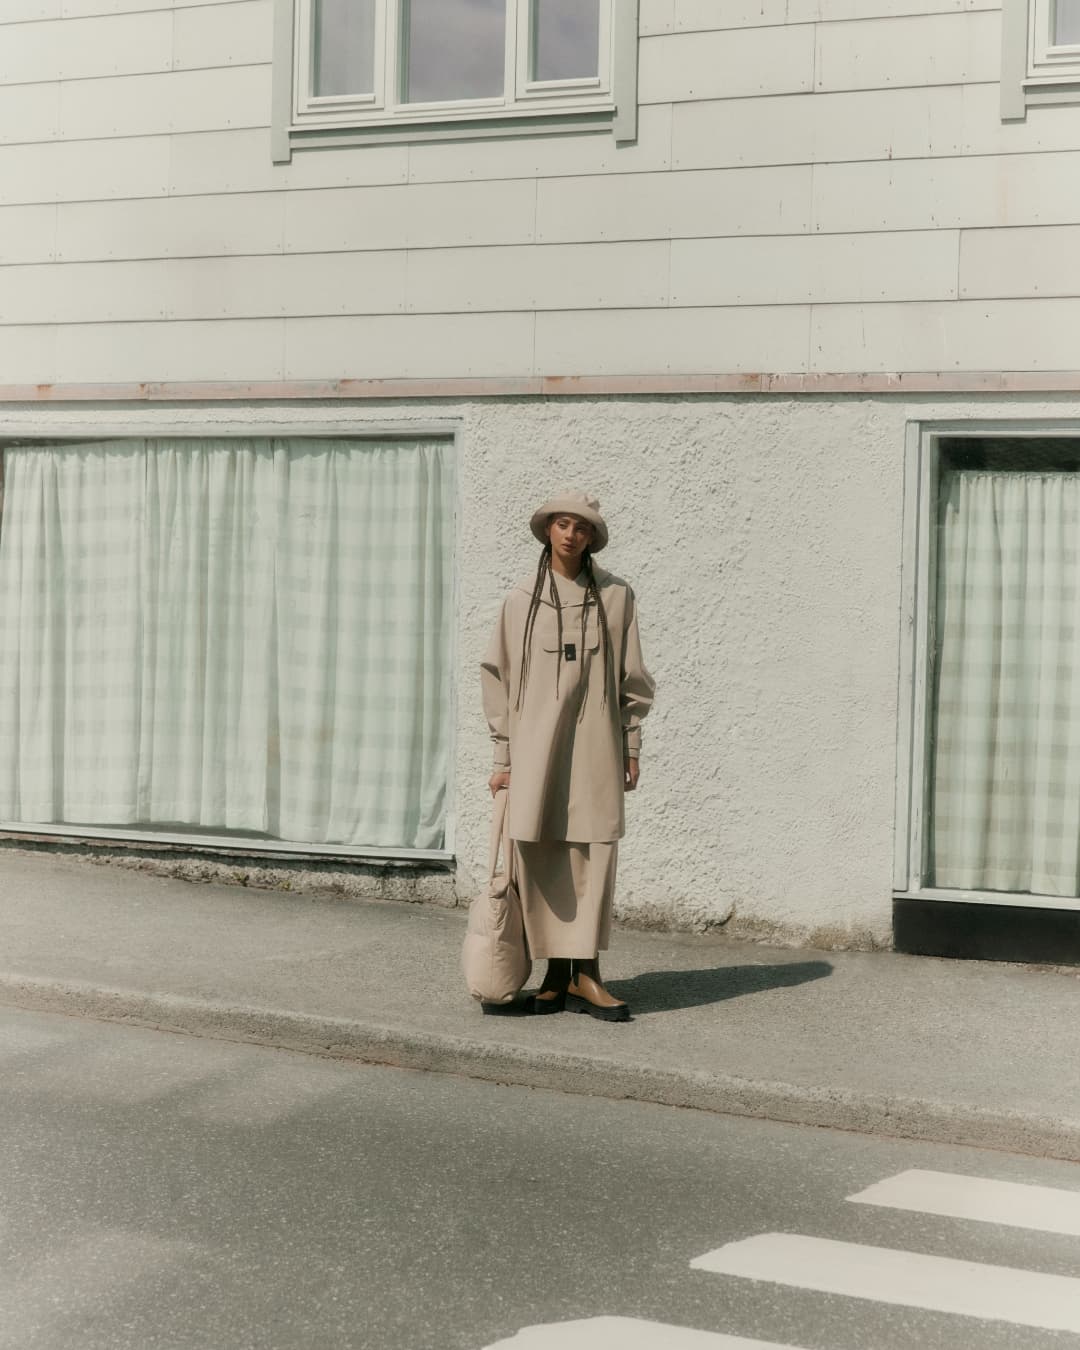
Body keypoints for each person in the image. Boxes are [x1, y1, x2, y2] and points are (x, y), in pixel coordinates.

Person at [480, 491, 656, 1021]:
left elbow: (633, 677)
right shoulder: (520, 600)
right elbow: (498, 676)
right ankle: (556, 975)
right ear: (548, 531)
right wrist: (503, 756)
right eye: (562, 524)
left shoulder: (617, 596)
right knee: (542, 850)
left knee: (594, 849)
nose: (570, 535)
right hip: (537, 749)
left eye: (581, 527)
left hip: (597, 745)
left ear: (591, 537)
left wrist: (631, 743)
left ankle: (586, 972)